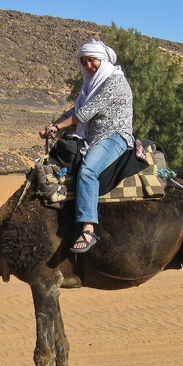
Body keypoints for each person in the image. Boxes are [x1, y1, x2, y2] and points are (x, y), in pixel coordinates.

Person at [39, 40, 134, 253]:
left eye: (91, 60)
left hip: (114, 137)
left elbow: (84, 113)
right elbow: (76, 108)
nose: (88, 65)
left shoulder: (114, 82)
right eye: (84, 62)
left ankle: (88, 228)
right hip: (93, 138)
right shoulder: (90, 85)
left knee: (88, 171)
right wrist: (54, 125)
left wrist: (57, 127)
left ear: (102, 59)